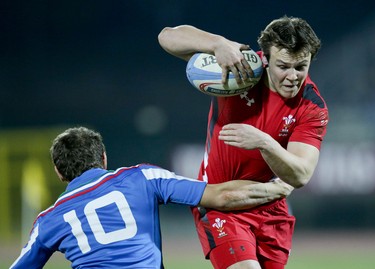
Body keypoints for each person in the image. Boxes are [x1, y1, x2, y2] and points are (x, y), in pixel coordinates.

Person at [158, 15, 329, 269]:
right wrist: (217, 44)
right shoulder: (242, 68)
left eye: (301, 67)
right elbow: (167, 36)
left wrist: (264, 142)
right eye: (283, 66)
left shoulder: (311, 107)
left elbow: (301, 175)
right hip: (221, 200)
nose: (293, 76)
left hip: (269, 204)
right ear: (266, 59)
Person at [10, 126, 293, 269]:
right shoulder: (142, 177)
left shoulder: (47, 220)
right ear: (104, 157)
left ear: (59, 172)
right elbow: (222, 196)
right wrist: (279, 187)